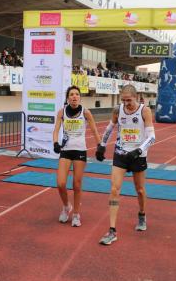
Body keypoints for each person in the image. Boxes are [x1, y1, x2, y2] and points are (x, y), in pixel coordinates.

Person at [95, 84, 156, 245]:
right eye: (123, 100)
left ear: (136, 97)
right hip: (121, 153)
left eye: (128, 100)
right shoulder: (118, 110)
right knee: (114, 189)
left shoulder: (145, 111)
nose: (126, 103)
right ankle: (112, 230)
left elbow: (152, 137)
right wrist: (102, 145)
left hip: (138, 156)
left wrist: (138, 150)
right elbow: (109, 128)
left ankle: (142, 214)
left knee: (140, 190)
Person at [52, 86, 102, 227]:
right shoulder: (61, 112)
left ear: (80, 97)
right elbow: (56, 130)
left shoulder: (86, 112)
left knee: (76, 184)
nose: (74, 97)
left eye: (77, 94)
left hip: (80, 150)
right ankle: (67, 206)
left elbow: (94, 130)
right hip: (66, 150)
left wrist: (100, 146)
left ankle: (76, 214)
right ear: (68, 98)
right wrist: (55, 143)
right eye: (72, 94)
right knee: (60, 183)